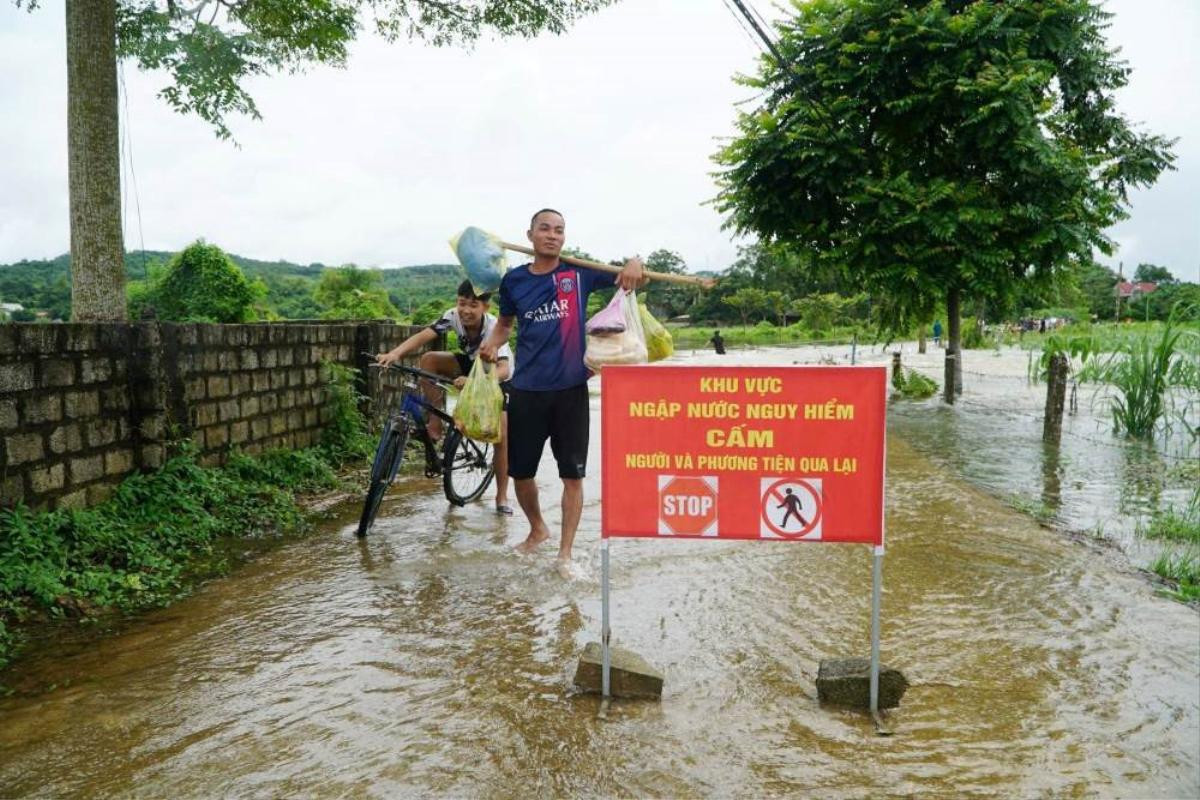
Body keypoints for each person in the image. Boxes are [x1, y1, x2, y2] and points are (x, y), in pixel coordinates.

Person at [477, 208, 645, 576]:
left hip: (570, 389)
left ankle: (565, 554)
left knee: (573, 475)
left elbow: (628, 275)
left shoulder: (578, 273)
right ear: (531, 235)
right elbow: (504, 325)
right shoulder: (514, 281)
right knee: (521, 472)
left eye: (559, 230)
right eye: (545, 229)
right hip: (526, 389)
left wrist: (635, 262)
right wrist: (491, 343)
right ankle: (538, 529)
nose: (553, 235)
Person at [376, 279, 514, 514]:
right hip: (471, 364)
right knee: (429, 359)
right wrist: (395, 353)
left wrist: (473, 382)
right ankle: (435, 423)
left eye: (473, 305)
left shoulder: (494, 328)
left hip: (495, 375)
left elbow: (505, 369)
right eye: (462, 304)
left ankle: (502, 497)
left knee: (500, 437)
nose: (466, 311)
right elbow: (423, 335)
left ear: (485, 308)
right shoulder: (452, 316)